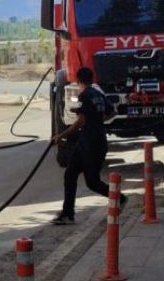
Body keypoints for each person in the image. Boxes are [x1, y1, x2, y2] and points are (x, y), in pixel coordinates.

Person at [51, 67, 126, 224]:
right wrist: (97, 120)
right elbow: (112, 112)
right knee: (70, 174)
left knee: (92, 182)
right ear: (92, 79)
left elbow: (80, 121)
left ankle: (120, 198)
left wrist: (60, 136)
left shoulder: (84, 95)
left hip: (90, 145)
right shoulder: (98, 94)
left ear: (78, 81)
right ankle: (67, 214)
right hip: (92, 142)